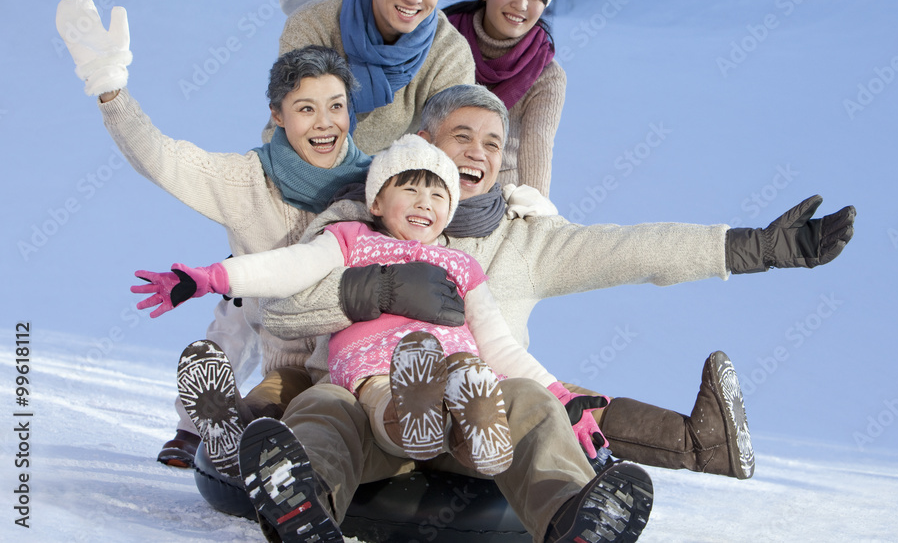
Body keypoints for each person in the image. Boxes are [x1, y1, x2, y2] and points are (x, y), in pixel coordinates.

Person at [261, 84, 856, 482]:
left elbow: (631, 250)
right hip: (365, 393)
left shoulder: (527, 239)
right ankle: (264, 461)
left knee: (552, 398)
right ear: (425, 145)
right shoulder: (358, 222)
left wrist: (761, 248)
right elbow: (285, 309)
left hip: (482, 412)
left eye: (493, 143)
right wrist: (374, 293)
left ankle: (697, 444)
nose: (478, 153)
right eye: (462, 136)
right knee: (301, 398)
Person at [54, 0, 463, 471]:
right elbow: (162, 159)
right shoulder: (245, 179)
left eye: (336, 106)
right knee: (246, 339)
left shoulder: (375, 183)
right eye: (305, 109)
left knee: (323, 403)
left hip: (358, 349)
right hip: (281, 340)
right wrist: (110, 89)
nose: (325, 122)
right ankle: (210, 430)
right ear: (277, 115)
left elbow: (433, 205)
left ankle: (236, 434)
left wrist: (514, 207)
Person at [132, 135, 608, 477]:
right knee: (385, 387)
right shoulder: (350, 240)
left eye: (439, 193)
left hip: (456, 368)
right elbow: (290, 266)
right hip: (376, 368)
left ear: (449, 209)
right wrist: (210, 277)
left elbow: (500, 345)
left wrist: (560, 396)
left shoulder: (460, 265)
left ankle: (480, 433)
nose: (425, 202)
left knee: (471, 368)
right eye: (410, 189)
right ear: (377, 201)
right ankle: (407, 423)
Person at [277, 0, 475, 155]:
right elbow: (295, 128)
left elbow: (448, 148)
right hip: (304, 164)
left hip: (398, 179)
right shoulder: (312, 24)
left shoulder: (450, 52)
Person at [443, 0, 566, 196]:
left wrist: (534, 210)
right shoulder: (445, 38)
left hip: (499, 193)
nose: (521, 4)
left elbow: (537, 148)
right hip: (433, 177)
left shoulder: (545, 74)